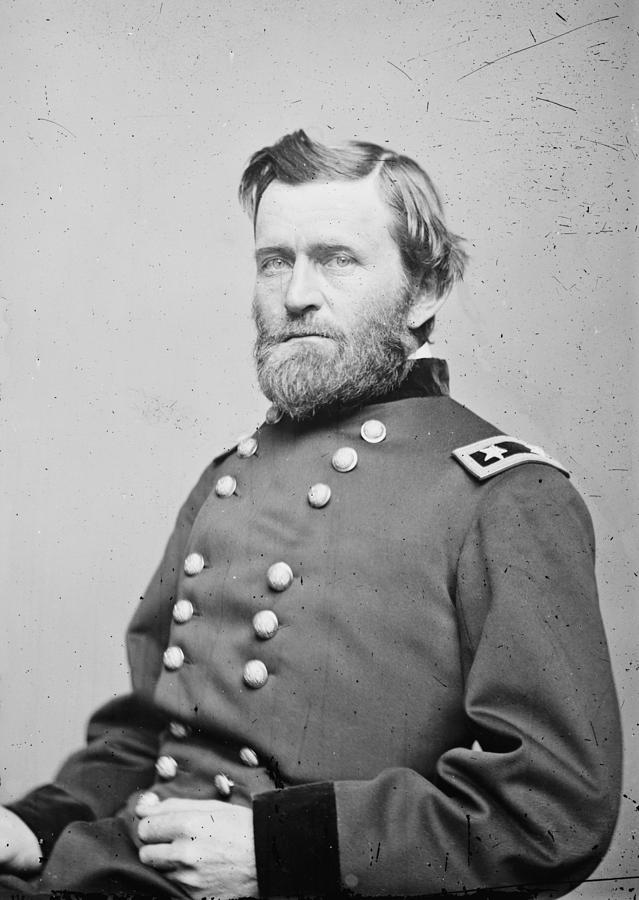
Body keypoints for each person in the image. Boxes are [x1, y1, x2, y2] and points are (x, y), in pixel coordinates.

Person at [0, 130, 621, 899]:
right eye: (274, 260)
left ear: (425, 291)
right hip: (118, 871)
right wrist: (37, 823)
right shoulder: (228, 476)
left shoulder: (504, 496)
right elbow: (153, 733)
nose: (295, 294)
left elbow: (551, 809)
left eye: (336, 259)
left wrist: (279, 850)